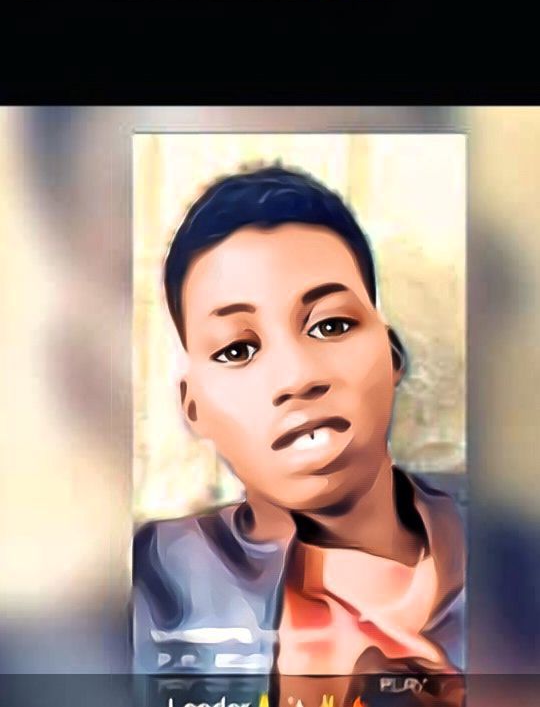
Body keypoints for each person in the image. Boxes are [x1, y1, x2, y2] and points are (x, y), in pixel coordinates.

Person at [131, 166, 465, 680]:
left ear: (392, 354)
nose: (297, 377)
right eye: (238, 350)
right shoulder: (146, 583)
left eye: (331, 325)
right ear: (192, 406)